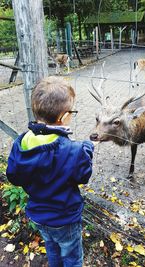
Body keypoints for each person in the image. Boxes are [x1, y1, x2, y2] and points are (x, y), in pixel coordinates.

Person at [6, 76, 94, 267]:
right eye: (72, 112)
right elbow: (83, 175)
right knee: (72, 258)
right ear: (63, 117)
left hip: (38, 216)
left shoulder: (21, 144)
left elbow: (13, 176)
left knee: (52, 249)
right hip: (65, 219)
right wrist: (87, 148)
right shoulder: (74, 150)